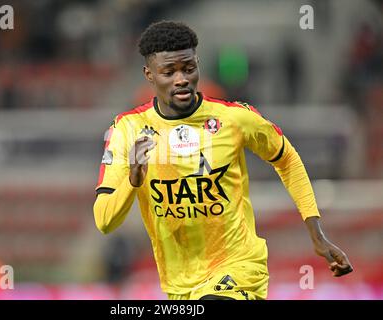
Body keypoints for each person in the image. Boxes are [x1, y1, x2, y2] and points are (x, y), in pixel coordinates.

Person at [93, 21, 353, 300]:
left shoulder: (234, 119)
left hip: (239, 270)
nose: (181, 79)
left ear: (198, 65)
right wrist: (132, 181)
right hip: (180, 285)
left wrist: (316, 232)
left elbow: (287, 158)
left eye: (188, 68)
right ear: (150, 74)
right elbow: (105, 220)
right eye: (168, 72)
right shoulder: (127, 130)